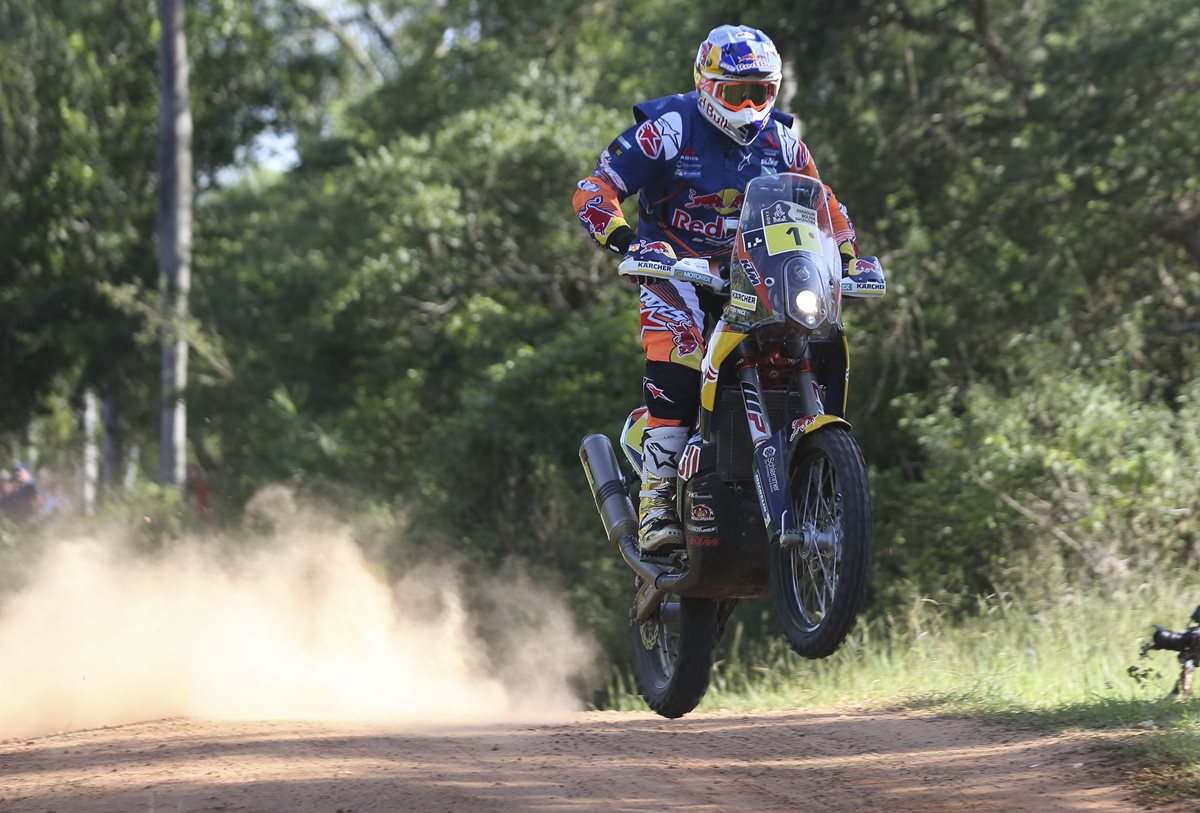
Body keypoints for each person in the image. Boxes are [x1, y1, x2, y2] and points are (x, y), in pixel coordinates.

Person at [572, 24, 860, 553]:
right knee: (680, 362)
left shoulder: (783, 142)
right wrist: (627, 241)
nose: (750, 107)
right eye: (736, 93)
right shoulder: (670, 129)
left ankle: (813, 475)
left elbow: (828, 209)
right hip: (674, 271)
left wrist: (847, 256)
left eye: (762, 93)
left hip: (753, 275)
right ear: (706, 85)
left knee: (807, 340)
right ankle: (657, 500)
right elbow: (595, 189)